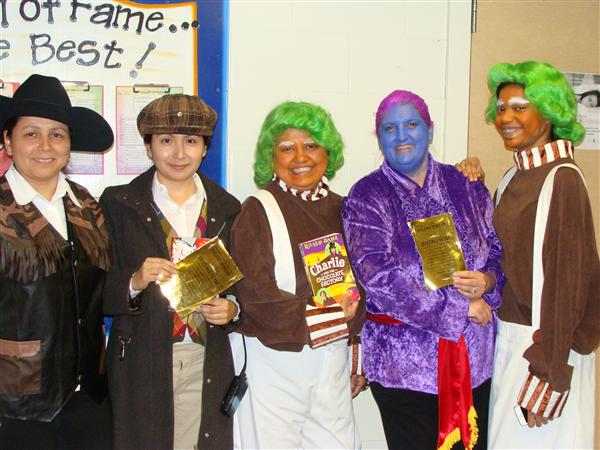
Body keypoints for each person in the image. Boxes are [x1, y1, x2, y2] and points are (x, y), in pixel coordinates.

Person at [343, 90, 504, 450]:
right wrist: (461, 308)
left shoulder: (465, 185)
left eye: (412, 125)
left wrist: (488, 281)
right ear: (379, 137)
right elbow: (380, 278)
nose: (401, 136)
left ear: (430, 131)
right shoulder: (367, 195)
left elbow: (496, 248)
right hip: (406, 371)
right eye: (390, 129)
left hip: (475, 363)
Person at [100, 94, 241, 450]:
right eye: (166, 141)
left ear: (205, 148)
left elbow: (243, 289)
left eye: (191, 141)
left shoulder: (227, 209)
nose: (179, 153)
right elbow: (97, 288)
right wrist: (134, 281)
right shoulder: (118, 204)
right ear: (148, 148)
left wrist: (233, 310)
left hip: (205, 357)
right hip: (141, 358)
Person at [475, 61, 599, 449]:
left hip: (545, 346)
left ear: (548, 111)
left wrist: (549, 369)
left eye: (519, 107)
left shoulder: (562, 179)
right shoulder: (514, 176)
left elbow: (568, 282)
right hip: (512, 341)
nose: (505, 118)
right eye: (500, 108)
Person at [229, 101, 366, 449]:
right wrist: (332, 318)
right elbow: (257, 299)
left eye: (311, 145)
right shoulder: (256, 210)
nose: (301, 157)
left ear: (327, 152)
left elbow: (366, 284)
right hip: (276, 366)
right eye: (287, 148)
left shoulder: (345, 208)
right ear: (271, 156)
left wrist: (356, 352)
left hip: (333, 364)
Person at [0, 74, 114, 450]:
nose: (45, 146)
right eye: (31, 134)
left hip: (88, 396)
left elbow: (101, 290)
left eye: (57, 134)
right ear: (8, 141)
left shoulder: (88, 206)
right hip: (18, 403)